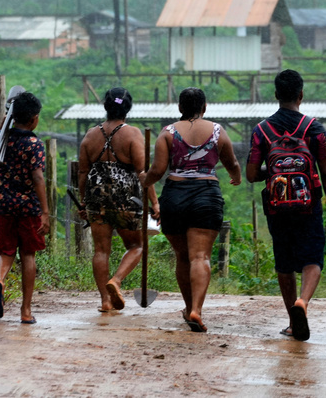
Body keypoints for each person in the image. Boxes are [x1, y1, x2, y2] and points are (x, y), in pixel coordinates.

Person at [246, 69, 326, 341]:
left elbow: (252, 175)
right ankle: (303, 302)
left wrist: (276, 171)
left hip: (277, 208)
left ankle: (292, 321)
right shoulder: (314, 129)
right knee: (313, 257)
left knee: (284, 263)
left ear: (276, 95)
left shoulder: (262, 131)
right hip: (309, 204)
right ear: (301, 95)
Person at [143, 87, 242, 333]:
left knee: (183, 257)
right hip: (206, 196)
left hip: (174, 197)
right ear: (204, 107)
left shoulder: (167, 133)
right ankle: (197, 309)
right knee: (201, 257)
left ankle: (188, 308)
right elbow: (232, 163)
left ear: (180, 108)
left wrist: (143, 181)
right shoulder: (218, 131)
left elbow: (157, 170)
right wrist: (236, 177)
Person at [77, 87, 159, 313]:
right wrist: (155, 202)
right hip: (125, 197)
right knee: (136, 245)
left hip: (96, 195)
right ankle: (117, 280)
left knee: (101, 250)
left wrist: (84, 202)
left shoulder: (90, 135)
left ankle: (105, 300)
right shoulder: (132, 134)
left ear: (106, 107)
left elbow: (83, 173)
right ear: (127, 108)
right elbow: (143, 173)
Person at [0, 91, 50, 324]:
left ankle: (0, 282)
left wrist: (2, 127)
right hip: (28, 208)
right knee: (28, 255)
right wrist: (45, 212)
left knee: (5, 252)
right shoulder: (34, 144)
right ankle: (25, 311)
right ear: (34, 118)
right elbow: (38, 178)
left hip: (3, 204)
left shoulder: (1, 138)